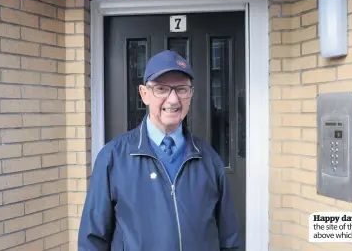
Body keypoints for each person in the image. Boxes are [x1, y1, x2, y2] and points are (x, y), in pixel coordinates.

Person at [78, 50, 241, 251]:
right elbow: (93, 239)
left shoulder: (208, 159)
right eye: (162, 89)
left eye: (181, 89)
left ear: (190, 94)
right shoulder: (113, 157)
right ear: (144, 94)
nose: (173, 100)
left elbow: (230, 239)